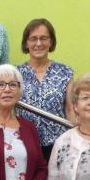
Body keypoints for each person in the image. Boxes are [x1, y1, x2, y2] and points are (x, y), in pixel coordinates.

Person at [16, 18, 74, 162]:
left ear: (51, 42)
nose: (38, 43)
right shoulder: (15, 74)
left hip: (58, 144)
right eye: (33, 39)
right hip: (24, 144)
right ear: (26, 43)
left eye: (44, 38)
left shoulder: (65, 72)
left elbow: (71, 109)